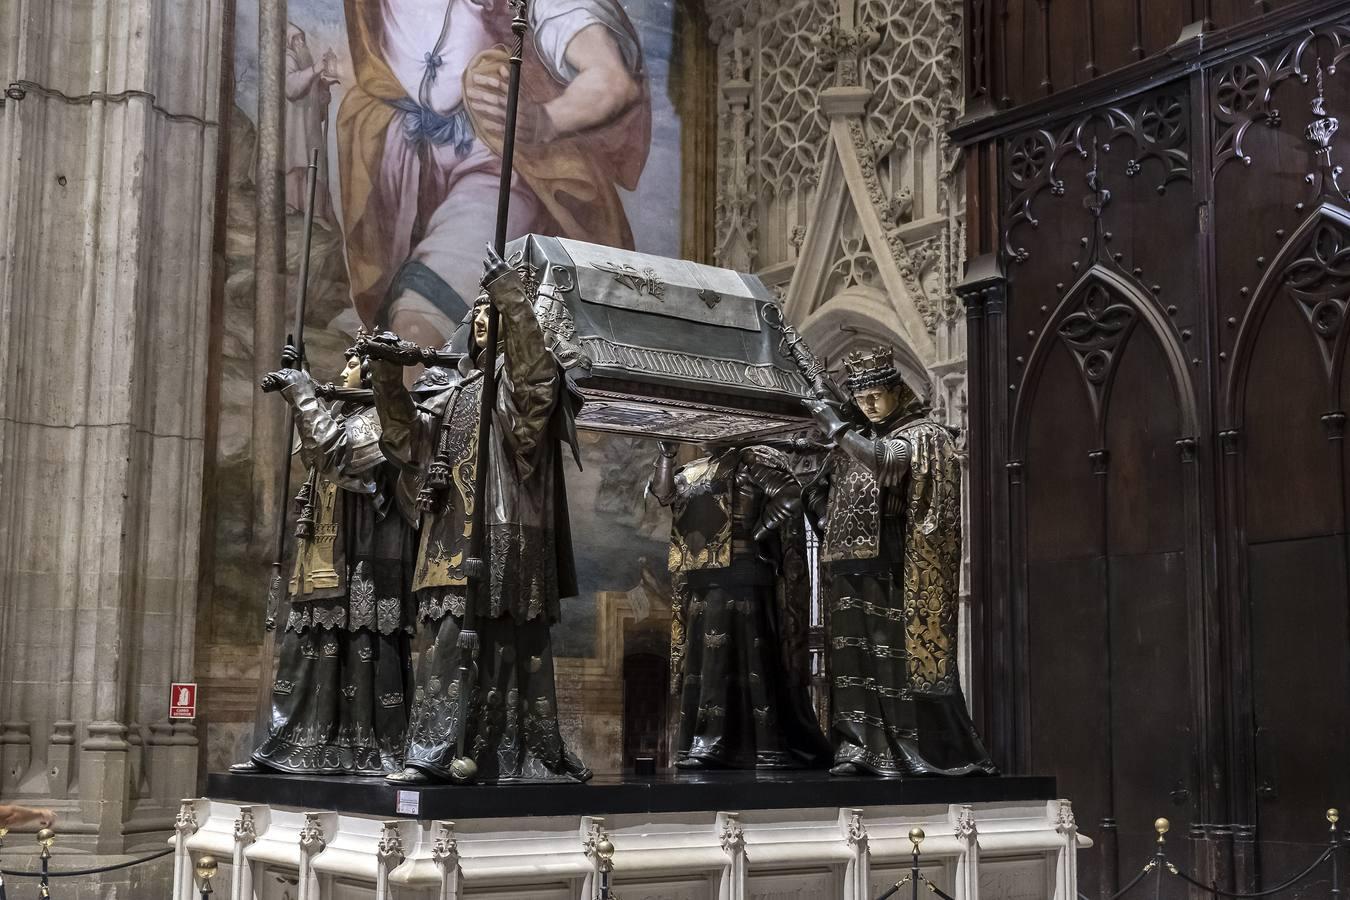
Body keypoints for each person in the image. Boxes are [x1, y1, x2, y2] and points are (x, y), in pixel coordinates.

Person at [361, 249, 589, 784]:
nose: (483, 319)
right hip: (449, 539)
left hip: (509, 530)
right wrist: (389, 380)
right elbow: (405, 444)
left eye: (495, 312)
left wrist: (511, 296)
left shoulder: (523, 385)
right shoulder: (454, 391)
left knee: (517, 645)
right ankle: (437, 750)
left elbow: (535, 384)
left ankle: (515, 753)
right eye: (479, 313)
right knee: (444, 644)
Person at [337, 0, 651, 349]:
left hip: (494, 172)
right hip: (404, 166)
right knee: (390, 336)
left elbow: (611, 79)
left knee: (418, 324)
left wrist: (544, 121)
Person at [802, 346, 997, 777]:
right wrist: (825, 514)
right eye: (861, 395)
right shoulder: (853, 443)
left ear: (895, 391)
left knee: (891, 658)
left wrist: (836, 427)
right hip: (846, 566)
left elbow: (888, 464)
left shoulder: (921, 433)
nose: (868, 403)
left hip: (893, 566)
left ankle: (909, 752)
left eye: (876, 394)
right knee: (851, 661)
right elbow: (818, 491)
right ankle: (859, 748)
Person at [233, 339, 418, 775]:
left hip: (363, 564)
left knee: (358, 652)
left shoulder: (381, 421)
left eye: (355, 362)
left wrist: (304, 394)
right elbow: (316, 449)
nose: (346, 368)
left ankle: (359, 750)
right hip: (323, 560)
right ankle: (293, 744)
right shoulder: (341, 415)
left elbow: (339, 456)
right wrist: (303, 389)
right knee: (306, 653)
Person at [650, 441, 830, 770]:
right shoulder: (690, 470)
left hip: (743, 570)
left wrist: (761, 529)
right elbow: (664, 494)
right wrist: (665, 454)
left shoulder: (751, 460)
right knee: (704, 662)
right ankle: (704, 741)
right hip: (701, 575)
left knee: (746, 656)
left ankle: (746, 745)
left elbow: (790, 495)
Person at [284, 23, 339, 222]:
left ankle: (314, 212)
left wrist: (324, 88)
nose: (300, 43)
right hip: (295, 125)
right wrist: (315, 69)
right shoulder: (288, 58)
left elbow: (315, 99)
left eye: (302, 39)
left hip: (309, 126)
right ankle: (293, 204)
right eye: (295, 39)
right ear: (288, 42)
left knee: (313, 166)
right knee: (296, 163)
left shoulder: (306, 65)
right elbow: (291, 87)